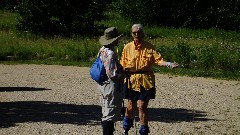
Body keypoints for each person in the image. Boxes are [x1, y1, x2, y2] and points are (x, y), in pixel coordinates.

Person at [120, 24, 179, 135]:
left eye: (139, 32)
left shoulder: (149, 47)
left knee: (142, 107)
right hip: (131, 80)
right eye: (134, 33)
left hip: (146, 81)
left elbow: (158, 60)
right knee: (131, 106)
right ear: (132, 34)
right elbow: (122, 64)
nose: (137, 34)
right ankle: (126, 129)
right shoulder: (127, 47)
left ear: (143, 33)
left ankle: (143, 131)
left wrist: (169, 64)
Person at [98, 27, 124, 135]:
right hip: (111, 86)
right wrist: (124, 73)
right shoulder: (110, 54)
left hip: (103, 84)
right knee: (110, 113)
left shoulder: (102, 50)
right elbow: (112, 74)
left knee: (105, 110)